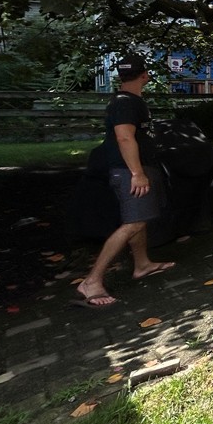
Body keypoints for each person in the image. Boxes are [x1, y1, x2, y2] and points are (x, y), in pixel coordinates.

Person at [73, 53, 174, 309]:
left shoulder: (128, 100)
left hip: (134, 168)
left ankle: (142, 264)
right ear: (145, 75)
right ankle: (92, 281)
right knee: (133, 222)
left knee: (139, 218)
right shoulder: (125, 102)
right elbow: (124, 137)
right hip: (128, 171)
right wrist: (137, 173)